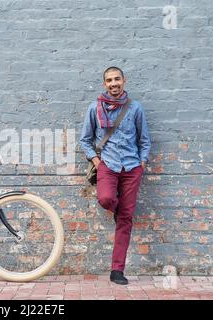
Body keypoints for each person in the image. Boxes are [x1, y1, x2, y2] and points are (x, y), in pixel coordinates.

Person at [79, 66, 151, 285]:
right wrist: (98, 163)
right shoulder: (95, 108)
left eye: (117, 79)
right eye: (109, 80)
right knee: (106, 199)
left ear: (124, 80)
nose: (113, 83)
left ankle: (117, 270)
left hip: (131, 168)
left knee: (125, 220)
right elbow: (85, 140)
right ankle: (119, 210)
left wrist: (142, 162)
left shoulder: (136, 108)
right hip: (108, 166)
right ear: (104, 84)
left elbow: (144, 140)